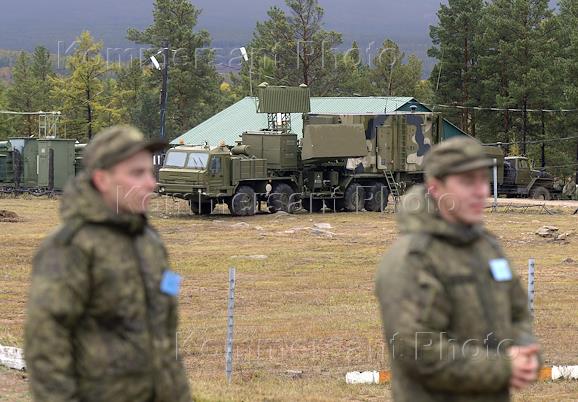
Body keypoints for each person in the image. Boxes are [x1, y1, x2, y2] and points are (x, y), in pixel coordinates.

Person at [24, 126, 191, 402]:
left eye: (150, 172)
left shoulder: (149, 242)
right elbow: (46, 345)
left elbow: (165, 336)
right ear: (102, 179)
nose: (151, 183)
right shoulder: (72, 246)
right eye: (137, 173)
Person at [375, 137, 540, 402]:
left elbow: (518, 312)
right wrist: (502, 367)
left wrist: (525, 351)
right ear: (436, 188)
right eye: (467, 182)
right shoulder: (412, 259)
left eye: (483, 180)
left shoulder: (487, 247)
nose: (480, 191)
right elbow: (417, 351)